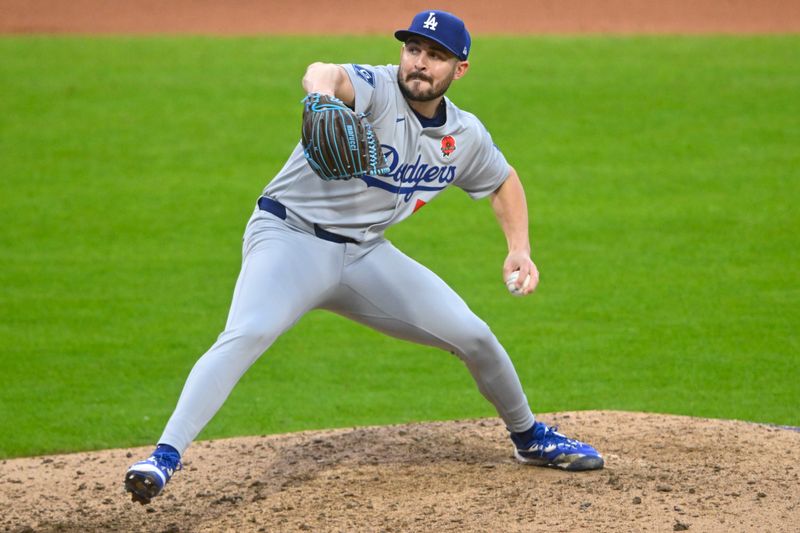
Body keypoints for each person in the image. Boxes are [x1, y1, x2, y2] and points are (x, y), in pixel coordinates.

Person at [124, 9, 603, 505]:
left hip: (364, 255)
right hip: (289, 238)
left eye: (436, 56)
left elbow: (502, 180)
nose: (420, 63)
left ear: (459, 70)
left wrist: (518, 248)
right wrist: (321, 97)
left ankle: (528, 437)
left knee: (474, 335)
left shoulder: (464, 136)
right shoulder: (374, 88)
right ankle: (163, 457)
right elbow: (322, 71)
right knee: (249, 332)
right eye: (414, 49)